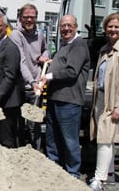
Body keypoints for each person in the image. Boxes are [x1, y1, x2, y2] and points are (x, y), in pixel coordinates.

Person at [38, 15, 90, 179]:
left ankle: (72, 172)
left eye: (69, 25)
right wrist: (52, 61)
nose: (66, 28)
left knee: (69, 139)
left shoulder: (79, 44)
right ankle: (55, 167)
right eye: (63, 26)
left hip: (69, 100)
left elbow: (72, 71)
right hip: (55, 99)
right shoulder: (65, 45)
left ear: (76, 27)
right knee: (53, 137)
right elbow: (64, 63)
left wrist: (49, 76)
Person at [9, 4, 49, 149]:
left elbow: (46, 50)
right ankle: (20, 154)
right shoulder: (15, 35)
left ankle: (35, 155)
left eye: (32, 17)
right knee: (19, 124)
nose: (29, 20)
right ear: (20, 18)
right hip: (20, 87)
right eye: (26, 17)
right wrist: (31, 81)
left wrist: (44, 57)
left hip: (36, 87)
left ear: (36, 18)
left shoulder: (40, 35)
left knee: (34, 124)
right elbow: (21, 61)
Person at [89, 13, 119, 191]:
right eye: (110, 26)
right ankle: (109, 177)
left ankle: (99, 180)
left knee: (105, 138)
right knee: (107, 139)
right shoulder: (105, 49)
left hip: (112, 100)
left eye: (116, 26)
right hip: (101, 97)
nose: (113, 29)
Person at [0, 12, 23, 148]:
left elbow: (9, 77)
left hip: (6, 104)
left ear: (6, 27)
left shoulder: (10, 48)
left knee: (6, 141)